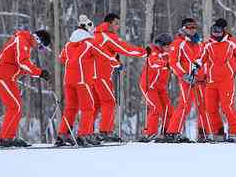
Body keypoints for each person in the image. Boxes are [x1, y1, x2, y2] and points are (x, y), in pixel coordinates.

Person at [56, 15, 120, 147]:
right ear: (87, 28)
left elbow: (62, 58)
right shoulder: (89, 43)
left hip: (68, 81)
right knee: (88, 108)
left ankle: (63, 134)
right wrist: (116, 63)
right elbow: (104, 55)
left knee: (71, 108)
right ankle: (84, 134)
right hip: (83, 80)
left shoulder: (68, 44)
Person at [0, 29, 51, 147]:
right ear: (38, 40)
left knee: (17, 107)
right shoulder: (21, 40)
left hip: (9, 77)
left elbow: (22, 66)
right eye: (41, 47)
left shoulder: (25, 44)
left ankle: (9, 137)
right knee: (14, 106)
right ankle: (4, 138)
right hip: (1, 75)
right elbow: (23, 63)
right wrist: (40, 73)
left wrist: (40, 73)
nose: (39, 49)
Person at [92, 13, 147, 142]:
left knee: (95, 104)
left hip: (90, 74)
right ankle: (105, 131)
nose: (118, 27)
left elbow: (103, 54)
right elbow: (126, 48)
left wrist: (115, 62)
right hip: (101, 75)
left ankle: (85, 132)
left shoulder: (96, 35)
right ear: (109, 23)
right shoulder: (107, 36)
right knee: (109, 102)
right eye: (116, 23)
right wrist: (144, 52)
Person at [197, 19, 236, 142]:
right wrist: (195, 66)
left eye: (219, 31)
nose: (216, 34)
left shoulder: (230, 43)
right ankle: (218, 132)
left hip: (226, 80)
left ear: (223, 32)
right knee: (210, 107)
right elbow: (201, 59)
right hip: (212, 81)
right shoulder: (208, 45)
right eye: (214, 31)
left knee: (226, 106)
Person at [163, 18, 208, 142]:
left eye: (194, 27)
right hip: (187, 79)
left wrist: (205, 74)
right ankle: (172, 132)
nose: (192, 30)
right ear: (183, 28)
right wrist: (183, 75)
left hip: (200, 79)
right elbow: (173, 62)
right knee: (185, 105)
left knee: (203, 106)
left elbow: (204, 59)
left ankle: (204, 132)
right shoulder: (178, 43)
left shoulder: (199, 43)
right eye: (189, 27)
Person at [139, 33, 174, 142]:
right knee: (156, 108)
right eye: (167, 46)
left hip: (161, 88)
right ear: (161, 45)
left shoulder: (167, 53)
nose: (169, 48)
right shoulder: (153, 52)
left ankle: (167, 133)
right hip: (149, 86)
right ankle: (151, 134)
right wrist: (166, 64)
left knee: (169, 109)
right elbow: (154, 63)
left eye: (170, 45)